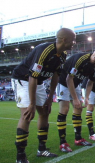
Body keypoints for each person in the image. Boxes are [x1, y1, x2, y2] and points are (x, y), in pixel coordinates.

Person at [11, 28, 76, 163]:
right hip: (23, 79)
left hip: (38, 81)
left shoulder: (62, 54)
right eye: (73, 40)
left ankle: (42, 149)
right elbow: (32, 77)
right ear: (64, 39)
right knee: (27, 115)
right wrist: (32, 104)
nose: (74, 43)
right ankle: (20, 157)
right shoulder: (44, 50)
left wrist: (50, 98)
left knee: (44, 113)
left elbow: (56, 75)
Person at [56, 44, 95, 152]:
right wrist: (75, 99)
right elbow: (68, 79)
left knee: (79, 109)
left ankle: (78, 138)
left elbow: (90, 83)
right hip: (63, 81)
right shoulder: (82, 59)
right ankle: (63, 143)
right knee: (65, 109)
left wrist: (86, 97)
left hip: (74, 84)